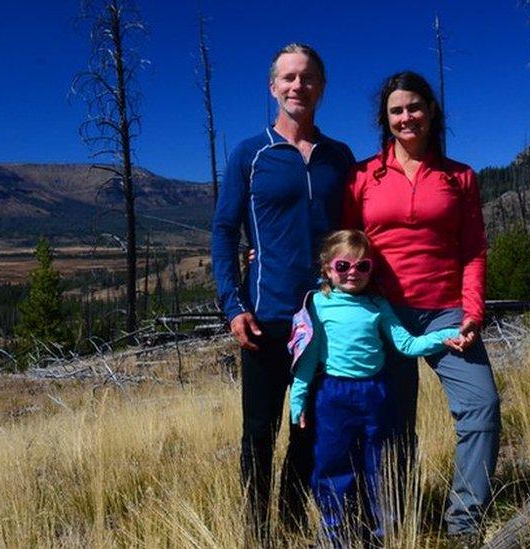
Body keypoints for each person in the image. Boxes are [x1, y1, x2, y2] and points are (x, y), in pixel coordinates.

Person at [342, 70, 501, 541]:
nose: (407, 116)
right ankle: (398, 523)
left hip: (447, 313)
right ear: (385, 119)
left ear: (431, 112)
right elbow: (345, 248)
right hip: (384, 315)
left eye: (415, 107)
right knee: (391, 424)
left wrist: (473, 311)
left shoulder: (460, 177)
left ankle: (464, 523)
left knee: (482, 407)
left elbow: (473, 249)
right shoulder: (363, 177)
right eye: (397, 110)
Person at [210, 43, 355, 541]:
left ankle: (292, 526)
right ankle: (256, 532)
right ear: (273, 87)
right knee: (259, 433)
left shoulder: (340, 158)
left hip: (325, 318)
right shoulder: (251, 154)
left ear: (322, 87)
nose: (299, 86)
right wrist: (233, 305)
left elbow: (353, 236)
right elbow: (225, 230)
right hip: (266, 316)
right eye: (289, 78)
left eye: (308, 77)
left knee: (308, 429)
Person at [288, 230, 461, 546]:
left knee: (377, 466)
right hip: (333, 396)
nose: (352, 272)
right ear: (327, 268)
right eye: (343, 266)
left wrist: (444, 335)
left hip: (375, 395)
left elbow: (407, 344)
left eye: (362, 266)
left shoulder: (378, 305)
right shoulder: (317, 305)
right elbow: (307, 358)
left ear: (371, 269)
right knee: (331, 464)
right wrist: (298, 399)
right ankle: (334, 533)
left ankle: (383, 533)